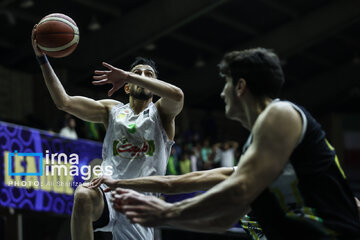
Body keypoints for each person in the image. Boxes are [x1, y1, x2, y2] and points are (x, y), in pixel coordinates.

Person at [112, 48, 360, 239]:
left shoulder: (280, 113)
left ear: (240, 86)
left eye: (226, 84)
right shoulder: (256, 158)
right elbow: (221, 220)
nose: (222, 93)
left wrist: (166, 212)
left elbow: (237, 190)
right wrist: (158, 217)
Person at [31, 26, 184, 240]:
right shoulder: (111, 109)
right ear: (127, 87)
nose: (142, 76)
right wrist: (42, 59)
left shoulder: (162, 114)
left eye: (148, 75)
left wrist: (130, 74)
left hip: (140, 201)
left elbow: (177, 95)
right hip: (108, 192)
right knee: (83, 195)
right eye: (137, 74)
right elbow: (63, 102)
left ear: (155, 85)